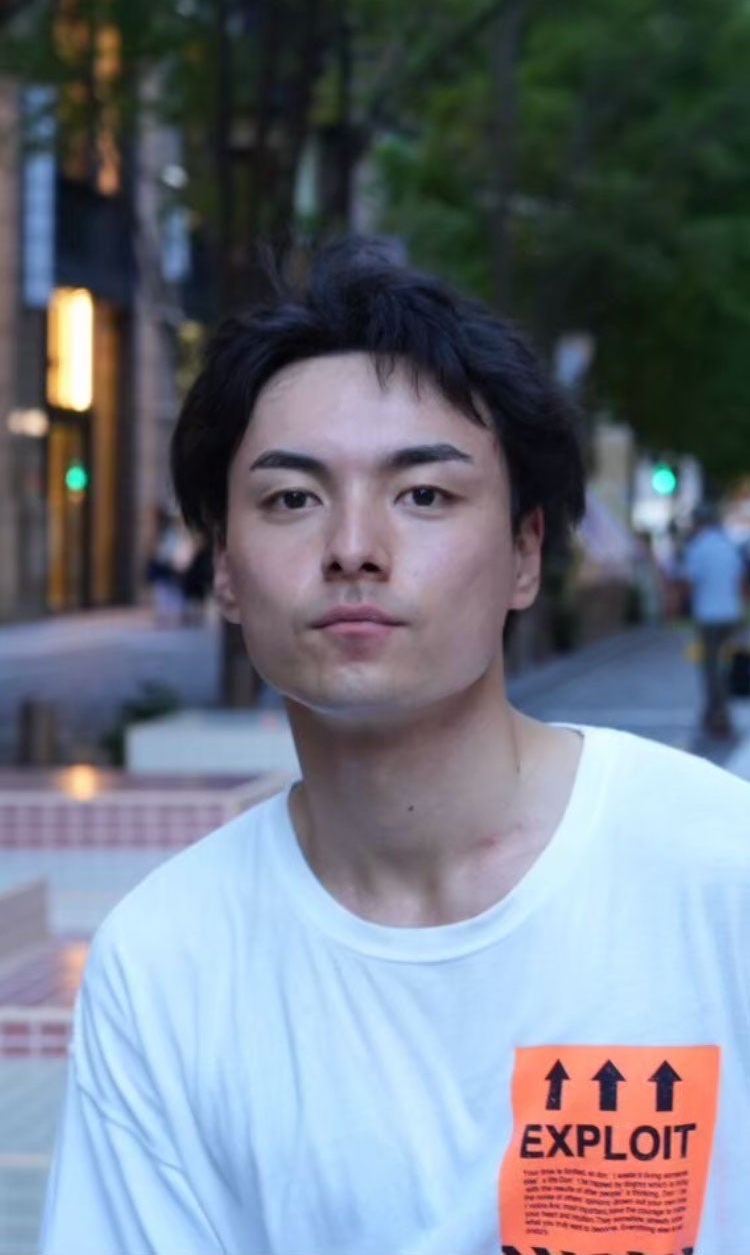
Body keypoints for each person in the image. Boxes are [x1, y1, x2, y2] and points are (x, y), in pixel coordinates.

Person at [41, 241, 750, 1255]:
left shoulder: (719, 872)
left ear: (525, 554)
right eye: (292, 499)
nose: (354, 548)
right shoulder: (166, 960)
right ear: (225, 569)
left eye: (424, 494)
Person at [682, 502, 746, 737]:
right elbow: (740, 580)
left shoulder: (698, 547)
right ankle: (714, 711)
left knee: (711, 667)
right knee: (724, 664)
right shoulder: (728, 545)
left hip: (708, 615)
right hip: (731, 613)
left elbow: (690, 582)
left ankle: (718, 714)